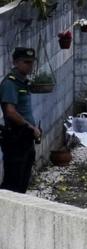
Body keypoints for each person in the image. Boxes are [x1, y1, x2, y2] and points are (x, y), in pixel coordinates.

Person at [0, 47, 41, 193]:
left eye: (32, 62)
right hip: (15, 137)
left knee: (23, 179)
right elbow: (10, 112)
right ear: (16, 62)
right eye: (26, 62)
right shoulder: (10, 83)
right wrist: (31, 127)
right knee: (13, 182)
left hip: (25, 138)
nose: (30, 66)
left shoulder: (22, 82)